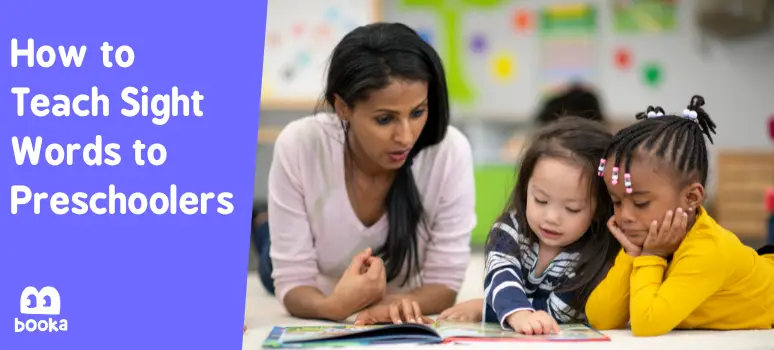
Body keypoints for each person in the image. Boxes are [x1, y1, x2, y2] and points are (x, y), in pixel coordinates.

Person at [256, 22, 477, 325]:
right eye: (385, 119)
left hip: (354, 287)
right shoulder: (300, 144)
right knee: (271, 266)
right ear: (342, 107)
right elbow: (292, 283)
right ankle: (262, 224)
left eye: (417, 112)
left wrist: (383, 306)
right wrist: (334, 307)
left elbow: (445, 286)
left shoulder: (450, 152)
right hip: (318, 275)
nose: (406, 137)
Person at [586, 95, 774, 337]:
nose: (625, 216)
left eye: (641, 202)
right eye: (617, 202)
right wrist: (633, 256)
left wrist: (651, 257)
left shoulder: (708, 249)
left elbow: (647, 324)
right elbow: (601, 318)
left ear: (692, 198)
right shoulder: (649, 240)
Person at [435, 117, 621, 334]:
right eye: (540, 200)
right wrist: (517, 313)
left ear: (600, 209)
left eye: (572, 208)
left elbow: (561, 313)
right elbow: (501, 274)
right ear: (525, 189)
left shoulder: (595, 254)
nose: (551, 217)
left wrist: (485, 308)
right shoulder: (510, 229)